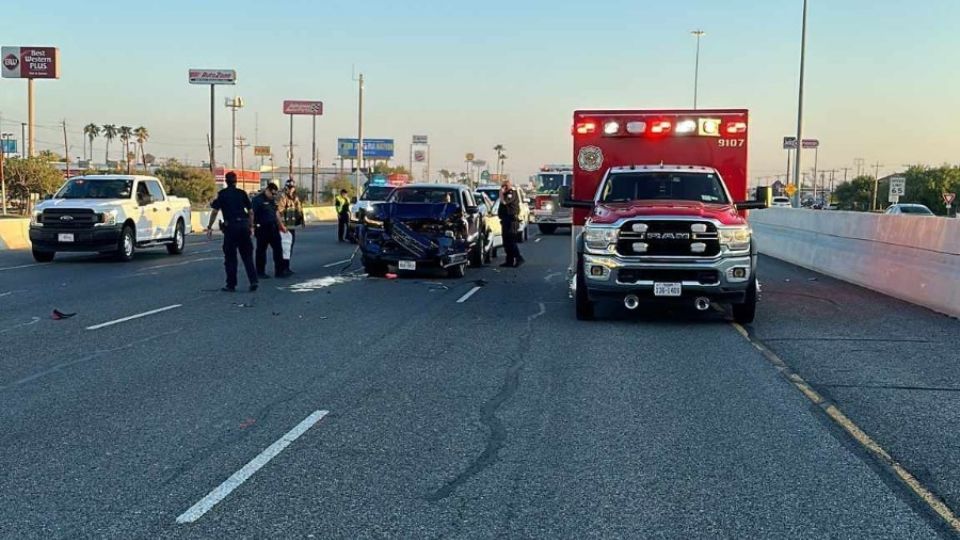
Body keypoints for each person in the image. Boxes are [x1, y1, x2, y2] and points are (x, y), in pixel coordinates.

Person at [207, 171, 258, 292]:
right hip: (244, 226)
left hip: (231, 228)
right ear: (236, 181)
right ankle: (253, 280)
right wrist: (251, 226)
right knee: (247, 256)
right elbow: (251, 212)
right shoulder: (242, 193)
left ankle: (231, 284)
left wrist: (209, 226)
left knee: (230, 258)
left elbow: (214, 211)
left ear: (226, 181)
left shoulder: (222, 194)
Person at [251, 183, 289, 279]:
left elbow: (276, 214)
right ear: (267, 190)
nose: (273, 195)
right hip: (262, 228)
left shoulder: (272, 200)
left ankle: (279, 271)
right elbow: (251, 213)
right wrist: (251, 227)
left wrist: (281, 226)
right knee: (261, 251)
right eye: (272, 193)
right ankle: (260, 272)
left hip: (273, 227)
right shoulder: (257, 200)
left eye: (274, 194)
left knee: (278, 250)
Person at [277, 178, 305, 274]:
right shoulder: (283, 197)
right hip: (284, 228)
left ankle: (287, 267)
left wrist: (301, 219)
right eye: (289, 187)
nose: (291, 189)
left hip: (291, 226)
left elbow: (299, 209)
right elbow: (279, 212)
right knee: (284, 248)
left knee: (289, 248)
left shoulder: (295, 198)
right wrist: (282, 225)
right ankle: (282, 268)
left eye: (292, 187)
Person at [498, 179, 525, 268]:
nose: (502, 188)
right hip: (505, 220)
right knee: (506, 242)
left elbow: (504, 202)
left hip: (511, 221)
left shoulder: (511, 193)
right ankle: (509, 261)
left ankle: (518, 258)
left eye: (503, 186)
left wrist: (501, 194)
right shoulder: (505, 194)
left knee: (511, 241)